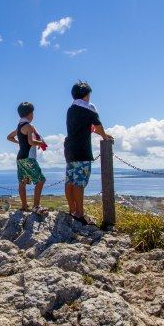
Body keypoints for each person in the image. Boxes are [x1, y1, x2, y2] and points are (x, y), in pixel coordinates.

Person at [64, 81, 114, 225]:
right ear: (86, 95)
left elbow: (87, 127)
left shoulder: (71, 109)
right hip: (82, 149)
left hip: (70, 149)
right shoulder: (89, 108)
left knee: (70, 181)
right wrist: (105, 137)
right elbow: (97, 126)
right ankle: (80, 213)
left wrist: (102, 133)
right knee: (79, 182)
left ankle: (72, 210)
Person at [7, 102, 48, 213]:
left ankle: (24, 206)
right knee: (40, 180)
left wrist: (19, 142)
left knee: (23, 182)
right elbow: (31, 141)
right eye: (33, 112)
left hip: (20, 157)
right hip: (28, 158)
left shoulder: (19, 126)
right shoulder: (29, 126)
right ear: (30, 114)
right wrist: (41, 142)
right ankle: (36, 206)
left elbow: (9, 137)